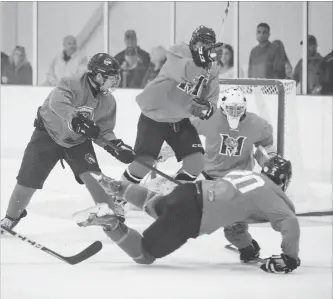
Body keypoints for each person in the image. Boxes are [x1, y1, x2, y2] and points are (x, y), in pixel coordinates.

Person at [75, 155, 301, 274]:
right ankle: (110, 221)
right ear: (284, 180)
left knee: (156, 206)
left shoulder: (246, 174)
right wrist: (289, 258)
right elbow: (289, 221)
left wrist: (247, 248)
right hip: (193, 213)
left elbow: (234, 223)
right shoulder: (272, 194)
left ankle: (118, 187)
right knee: (145, 255)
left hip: (189, 191)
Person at [0, 53, 135, 232]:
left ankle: (109, 213)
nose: (115, 83)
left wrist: (115, 145)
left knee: (94, 176)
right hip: (47, 135)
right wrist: (76, 120)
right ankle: (11, 217)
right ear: (99, 76)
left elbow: (104, 131)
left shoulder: (108, 101)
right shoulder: (70, 84)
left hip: (77, 142)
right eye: (112, 78)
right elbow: (58, 104)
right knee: (27, 180)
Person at [121, 25, 221, 192]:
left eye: (207, 44)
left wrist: (208, 107)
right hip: (154, 117)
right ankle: (118, 196)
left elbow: (212, 95)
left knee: (196, 163)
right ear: (192, 43)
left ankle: (175, 196)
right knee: (143, 164)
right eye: (199, 43)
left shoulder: (212, 68)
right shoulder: (178, 52)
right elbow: (182, 72)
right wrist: (201, 62)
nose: (202, 47)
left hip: (179, 120)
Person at [159, 87, 276, 181]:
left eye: (238, 108)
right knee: (176, 187)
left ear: (245, 107)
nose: (234, 113)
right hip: (208, 174)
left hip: (240, 179)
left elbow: (267, 145)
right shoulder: (209, 117)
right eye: (230, 108)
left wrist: (270, 162)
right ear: (223, 106)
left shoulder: (257, 124)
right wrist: (167, 151)